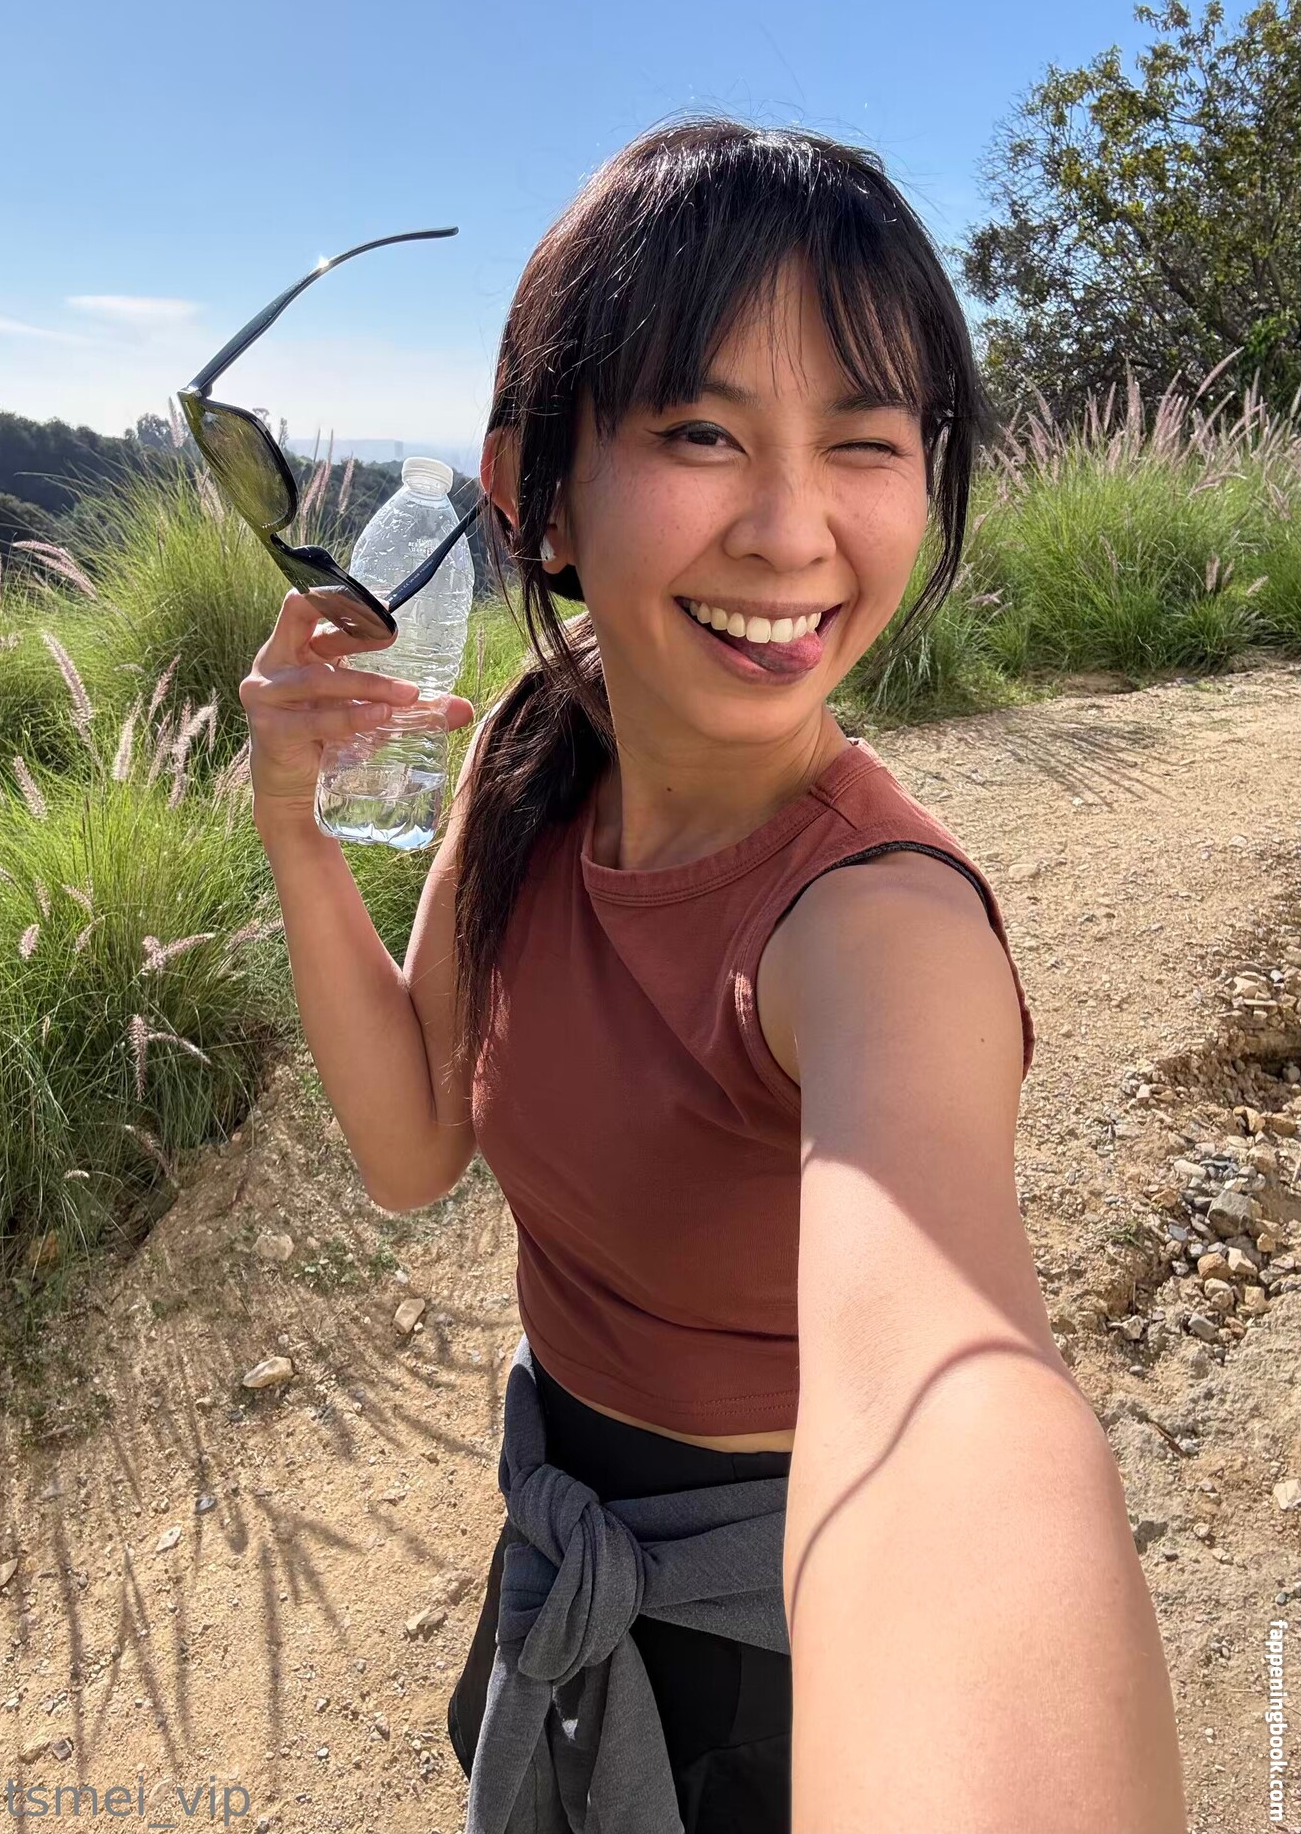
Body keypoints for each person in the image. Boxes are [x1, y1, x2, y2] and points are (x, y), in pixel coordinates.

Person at [241, 118, 1188, 1833]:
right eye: (700, 432)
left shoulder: (882, 932)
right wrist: (298, 832)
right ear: (532, 492)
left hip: (776, 1654)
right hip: (563, 1532)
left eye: (866, 442)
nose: (791, 529)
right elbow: (411, 1148)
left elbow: (956, 1412)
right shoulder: (534, 747)